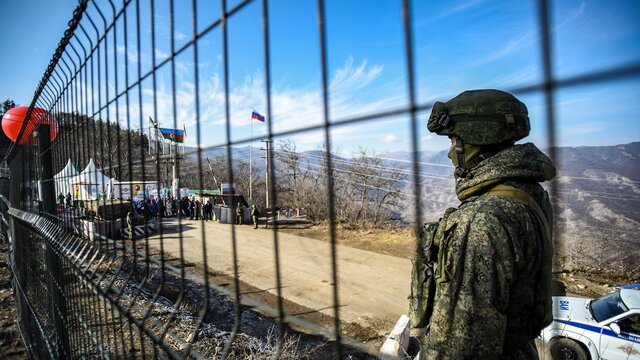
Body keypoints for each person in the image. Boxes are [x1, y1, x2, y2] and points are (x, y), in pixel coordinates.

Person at [409, 89, 555, 359]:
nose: (451, 151)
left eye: (454, 140)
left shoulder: (482, 219)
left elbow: (461, 346)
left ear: (477, 139)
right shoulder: (529, 195)